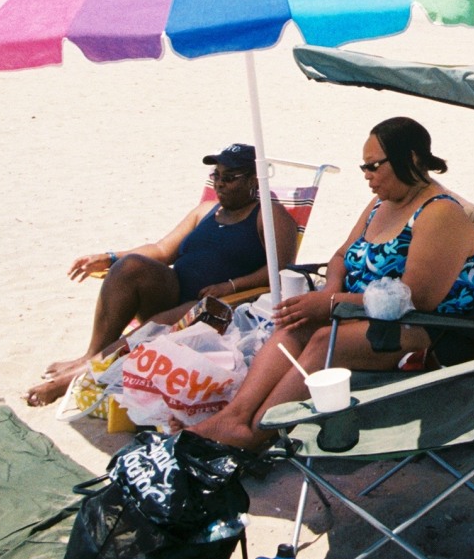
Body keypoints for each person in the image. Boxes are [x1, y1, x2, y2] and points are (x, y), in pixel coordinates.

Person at [190, 117, 474, 449]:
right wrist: (331, 291)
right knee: (294, 325)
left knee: (321, 340)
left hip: (425, 329)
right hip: (363, 313)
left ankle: (257, 432)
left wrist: (332, 304)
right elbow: (340, 256)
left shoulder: (439, 213)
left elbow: (415, 299)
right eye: (364, 166)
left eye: (374, 165)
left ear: (413, 159)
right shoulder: (380, 204)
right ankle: (233, 418)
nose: (366, 174)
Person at [25, 143, 297, 406]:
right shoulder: (206, 210)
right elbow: (161, 249)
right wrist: (110, 257)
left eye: (230, 178)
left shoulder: (269, 215)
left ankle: (74, 379)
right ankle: (92, 356)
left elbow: (281, 268)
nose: (220, 183)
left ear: (254, 181)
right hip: (176, 291)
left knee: (161, 321)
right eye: (216, 176)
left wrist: (231, 286)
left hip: (219, 311)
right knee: (130, 266)